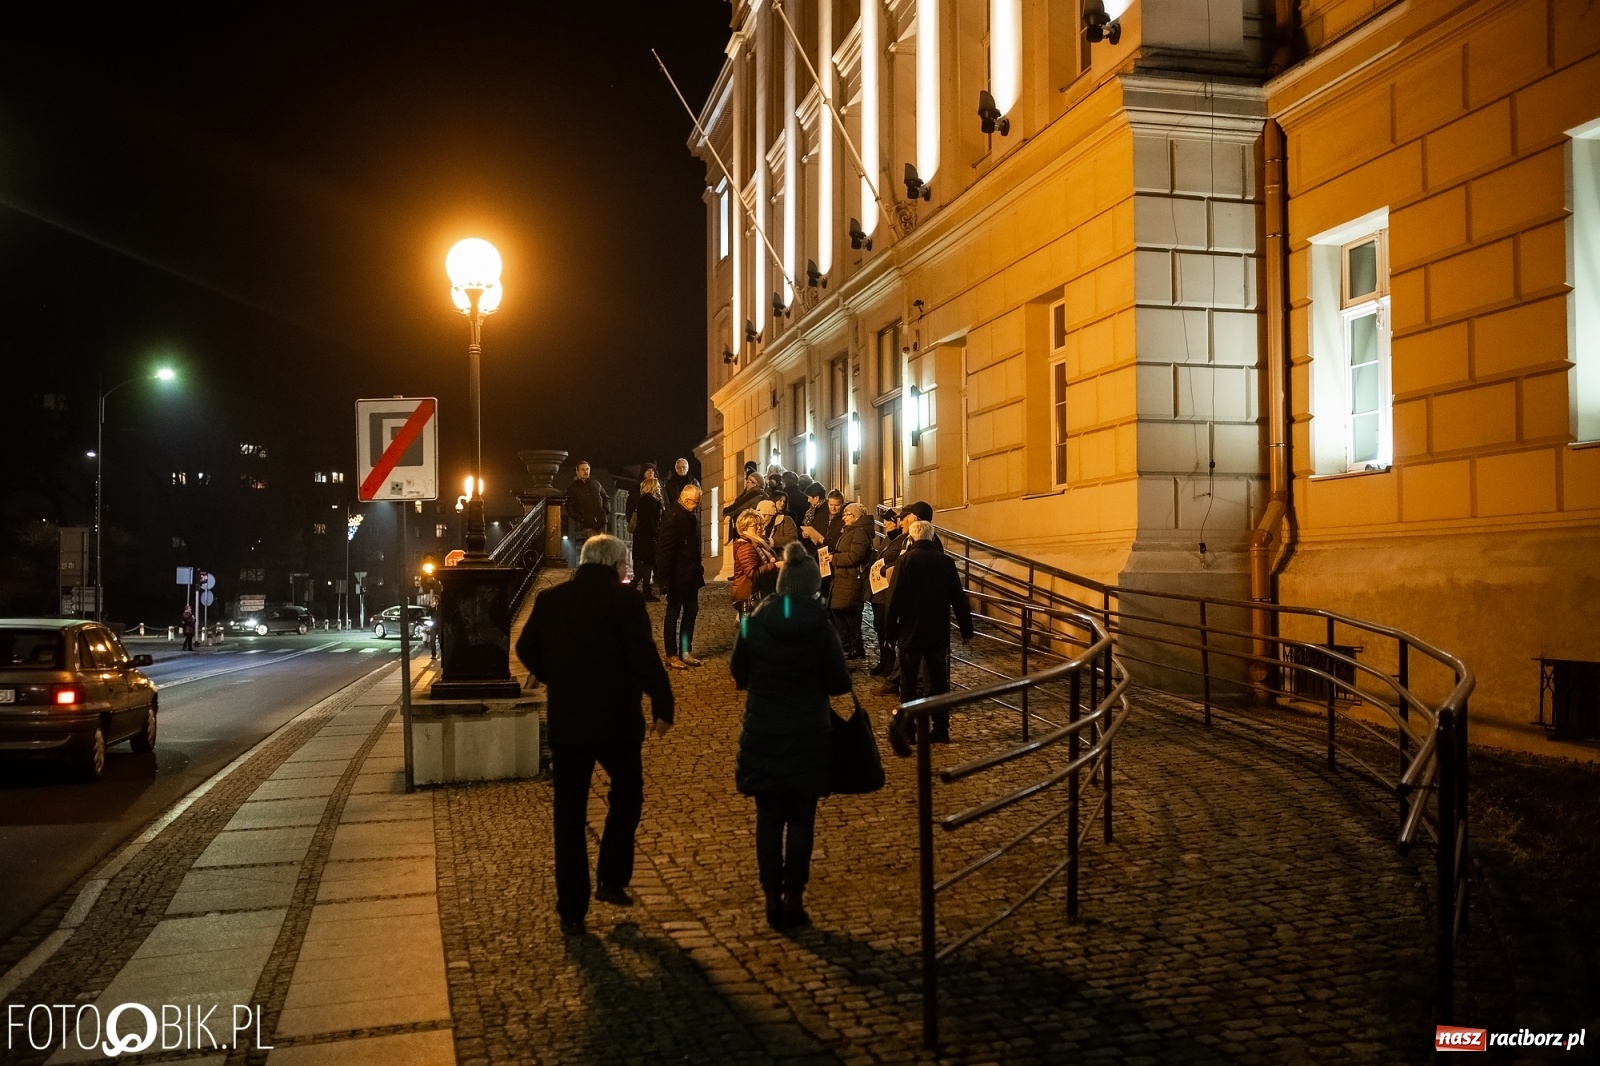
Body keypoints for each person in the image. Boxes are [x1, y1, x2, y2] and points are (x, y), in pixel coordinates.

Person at [515, 534, 675, 936]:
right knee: (628, 795)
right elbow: (643, 655)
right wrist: (662, 704)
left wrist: (558, 677)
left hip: (569, 723)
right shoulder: (625, 602)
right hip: (616, 721)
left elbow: (525, 647)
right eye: (626, 567)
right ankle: (611, 877)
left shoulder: (551, 601)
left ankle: (572, 910)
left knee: (568, 817)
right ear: (617, 565)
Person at [732, 540, 852, 929]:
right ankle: (794, 899)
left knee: (769, 819)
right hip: (807, 733)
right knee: (801, 819)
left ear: (782, 583)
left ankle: (770, 896)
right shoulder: (820, 625)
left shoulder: (756, 621)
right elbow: (837, 683)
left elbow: (739, 673)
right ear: (812, 586)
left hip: (764, 728)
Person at [884, 520, 973, 744]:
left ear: (912, 539)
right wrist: (966, 629)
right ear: (932, 538)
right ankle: (941, 728)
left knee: (908, 682)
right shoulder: (946, 562)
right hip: (936, 632)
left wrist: (889, 632)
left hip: (910, 632)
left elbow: (893, 599)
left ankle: (909, 729)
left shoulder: (905, 561)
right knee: (938, 682)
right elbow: (958, 598)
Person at [656, 482, 706, 668]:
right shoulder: (673, 519)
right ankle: (671, 653)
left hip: (690, 573)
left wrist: (697, 565)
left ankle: (685, 650)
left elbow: (692, 546)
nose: (696, 507)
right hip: (677, 575)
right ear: (686, 500)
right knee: (673, 613)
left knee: (691, 611)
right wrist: (664, 581)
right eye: (695, 503)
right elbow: (664, 552)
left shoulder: (688, 517)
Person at [828, 503, 873, 660]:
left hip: (851, 578)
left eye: (847, 514)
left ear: (856, 517)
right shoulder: (850, 531)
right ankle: (849, 646)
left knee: (849, 613)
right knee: (839, 610)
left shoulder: (859, 532)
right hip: (842, 578)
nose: (844, 517)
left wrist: (835, 558)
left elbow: (855, 556)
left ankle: (852, 647)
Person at [731, 510, 779, 614]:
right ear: (744, 528)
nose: (759, 528)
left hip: (762, 591)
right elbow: (752, 574)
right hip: (752, 594)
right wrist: (774, 566)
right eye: (754, 526)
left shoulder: (759, 542)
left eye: (760, 524)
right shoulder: (746, 546)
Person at [627, 466, 664, 600]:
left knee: (646, 563)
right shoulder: (651, 501)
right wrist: (656, 535)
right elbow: (651, 522)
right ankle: (644, 590)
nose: (659, 487)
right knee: (648, 563)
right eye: (657, 486)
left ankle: (636, 586)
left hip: (643, 536)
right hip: (648, 537)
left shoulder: (643, 500)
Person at [566, 461, 610, 545]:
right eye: (582, 469)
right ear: (577, 472)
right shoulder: (572, 489)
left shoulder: (596, 484)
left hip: (601, 522)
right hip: (587, 524)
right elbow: (570, 509)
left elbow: (606, 498)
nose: (586, 472)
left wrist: (605, 511)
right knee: (595, 546)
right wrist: (582, 518)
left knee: (603, 548)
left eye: (587, 469)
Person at [722, 469, 768, 543]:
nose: (746, 485)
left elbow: (739, 506)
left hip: (750, 528)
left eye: (747, 482)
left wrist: (726, 511)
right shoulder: (763, 494)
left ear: (754, 483)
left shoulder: (754, 493)